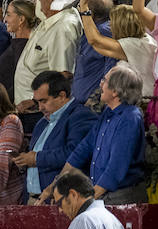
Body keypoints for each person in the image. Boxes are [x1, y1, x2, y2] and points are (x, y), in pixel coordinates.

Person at [44, 64, 147, 204]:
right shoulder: (107, 113)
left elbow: (116, 167)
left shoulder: (130, 118)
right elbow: (83, 149)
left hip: (122, 197)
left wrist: (88, 200)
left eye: (104, 80)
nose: (100, 83)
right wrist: (57, 184)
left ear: (116, 91)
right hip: (104, 194)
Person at [19, 71, 100, 203]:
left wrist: (36, 158)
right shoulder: (42, 122)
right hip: (33, 199)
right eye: (37, 102)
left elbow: (75, 153)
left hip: (62, 201)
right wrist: (24, 160)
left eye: (43, 101)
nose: (40, 107)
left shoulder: (81, 116)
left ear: (62, 96)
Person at [54, 170, 127, 229]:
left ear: (73, 194)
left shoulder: (83, 220)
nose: (60, 210)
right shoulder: (115, 222)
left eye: (59, 203)